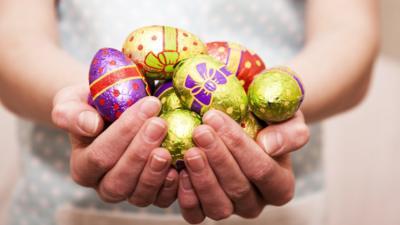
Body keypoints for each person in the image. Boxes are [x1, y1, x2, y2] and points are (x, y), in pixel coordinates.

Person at [0, 0, 379, 224]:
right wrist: (96, 102)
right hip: (64, 196)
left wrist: (269, 109)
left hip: (272, 176)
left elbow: (349, 33)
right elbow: (14, 43)